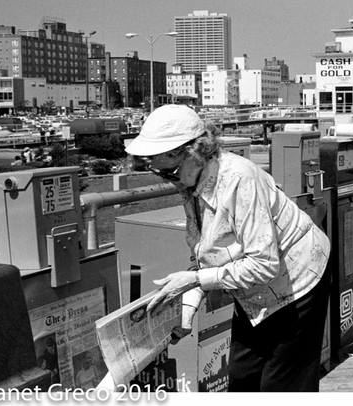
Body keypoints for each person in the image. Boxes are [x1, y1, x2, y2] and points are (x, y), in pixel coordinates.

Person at [127, 105, 331, 392]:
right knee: (242, 378)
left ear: (194, 153)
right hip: (258, 293)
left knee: (283, 383)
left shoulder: (239, 178)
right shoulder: (192, 184)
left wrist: (197, 280)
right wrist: (187, 310)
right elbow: (204, 256)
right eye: (160, 174)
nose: (169, 181)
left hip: (299, 282)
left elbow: (264, 263)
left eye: (171, 173)